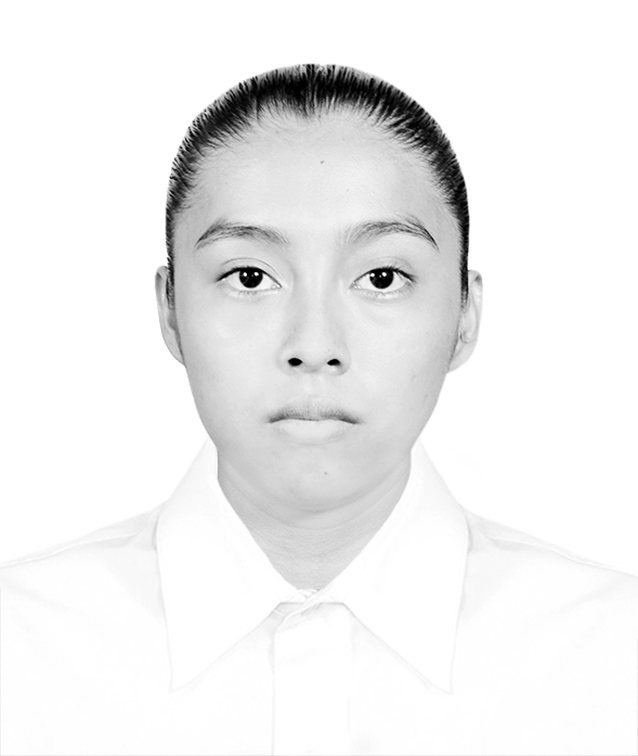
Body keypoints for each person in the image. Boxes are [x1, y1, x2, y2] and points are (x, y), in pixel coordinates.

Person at [0, 64, 636, 756]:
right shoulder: (20, 650)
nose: (313, 345)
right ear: (171, 310)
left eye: (382, 278)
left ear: (465, 315)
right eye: (250, 278)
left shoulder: (613, 655)